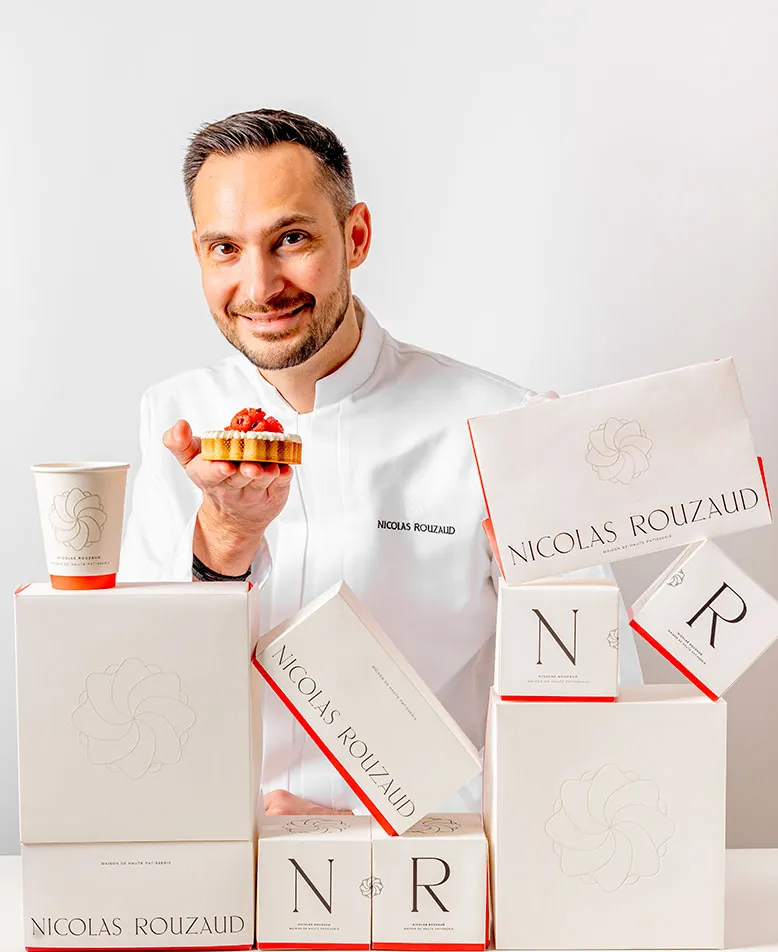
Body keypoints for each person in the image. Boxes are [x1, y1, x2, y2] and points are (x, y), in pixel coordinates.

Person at [120, 108, 641, 815]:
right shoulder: (172, 418)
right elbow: (138, 688)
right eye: (225, 249)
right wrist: (224, 544)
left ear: (354, 236)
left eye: (292, 238)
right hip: (221, 878)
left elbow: (600, 708)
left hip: (433, 885)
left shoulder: (505, 429)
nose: (259, 285)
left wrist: (399, 832)